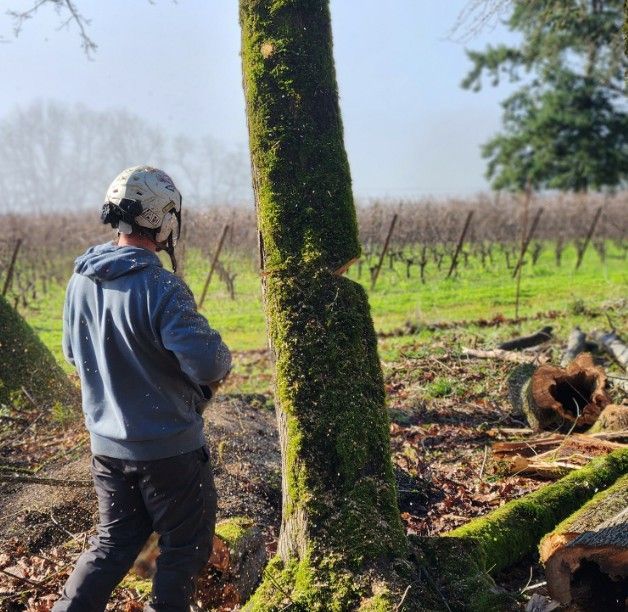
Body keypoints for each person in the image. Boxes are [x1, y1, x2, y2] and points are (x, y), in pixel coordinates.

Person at [53, 166, 231, 612]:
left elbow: (74, 356)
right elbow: (210, 361)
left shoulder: (81, 281)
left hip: (108, 450)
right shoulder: (161, 287)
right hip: (169, 452)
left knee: (112, 544)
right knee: (184, 549)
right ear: (164, 219)